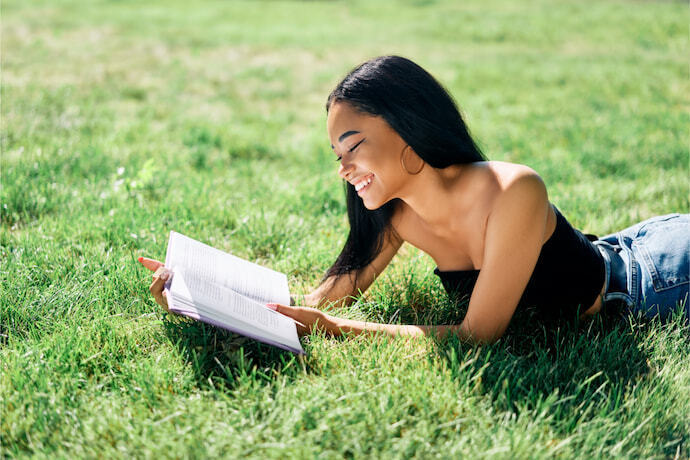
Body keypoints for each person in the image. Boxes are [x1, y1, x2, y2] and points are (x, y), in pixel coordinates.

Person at [141, 56, 689, 344]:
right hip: (630, 248)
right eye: (336, 153)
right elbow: (315, 305)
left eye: (353, 146)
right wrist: (200, 299)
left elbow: (477, 338)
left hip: (655, 280)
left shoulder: (515, 189)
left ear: (407, 130)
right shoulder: (396, 215)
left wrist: (338, 332)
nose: (343, 168)